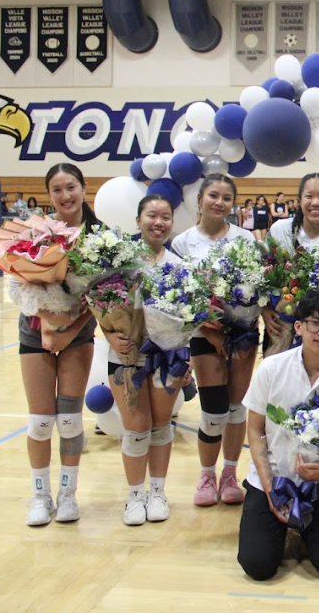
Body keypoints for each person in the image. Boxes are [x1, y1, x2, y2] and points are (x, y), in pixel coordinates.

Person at [237, 290, 319, 581]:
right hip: (272, 479)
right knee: (257, 566)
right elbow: (254, 429)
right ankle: (283, 523)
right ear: (298, 326)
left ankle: (305, 528)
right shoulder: (271, 367)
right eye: (314, 323)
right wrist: (269, 487)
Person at [20, 163, 102, 526]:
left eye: (71, 187)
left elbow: (106, 296)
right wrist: (48, 326)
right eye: (57, 189)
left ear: (84, 188)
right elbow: (18, 284)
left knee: (69, 420)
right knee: (40, 422)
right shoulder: (36, 232)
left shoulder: (102, 238)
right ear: (49, 194)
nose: (65, 195)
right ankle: (40, 496)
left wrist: (70, 328)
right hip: (34, 332)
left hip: (78, 336)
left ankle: (68, 494)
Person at [171, 174, 256, 508]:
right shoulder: (183, 243)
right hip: (204, 333)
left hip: (244, 333)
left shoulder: (245, 238)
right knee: (214, 410)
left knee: (236, 409)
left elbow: (255, 285)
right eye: (213, 196)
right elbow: (178, 295)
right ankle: (206, 474)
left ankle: (230, 475)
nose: (219, 203)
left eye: (226, 198)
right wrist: (209, 327)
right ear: (200, 199)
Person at [104, 194, 189, 526]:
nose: (159, 222)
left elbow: (187, 318)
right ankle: (134, 495)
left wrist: (186, 358)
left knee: (160, 426)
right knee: (136, 428)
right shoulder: (121, 263)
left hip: (167, 359)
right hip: (126, 359)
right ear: (138, 220)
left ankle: (158, 491)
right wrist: (111, 334)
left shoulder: (179, 265)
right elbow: (103, 308)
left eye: (166, 217)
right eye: (152, 216)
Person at [264, 174, 319, 357]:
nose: (315, 202)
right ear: (299, 200)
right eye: (309, 196)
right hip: (281, 329)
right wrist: (264, 311)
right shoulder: (280, 230)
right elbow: (262, 276)